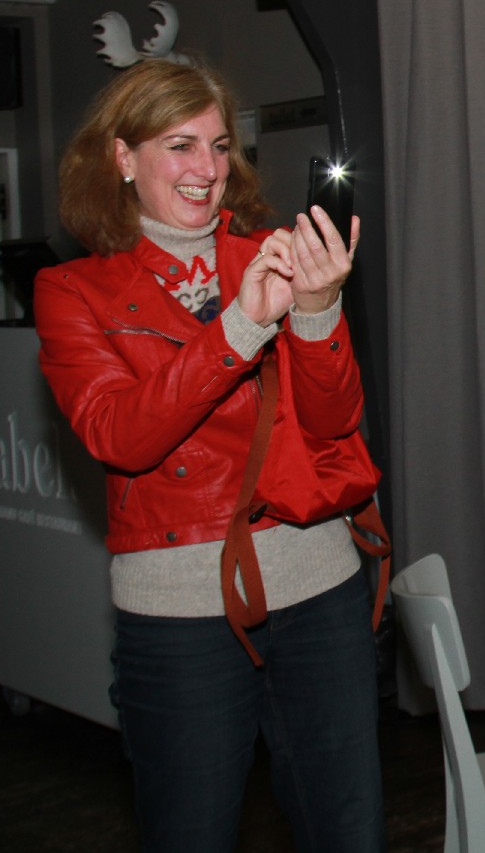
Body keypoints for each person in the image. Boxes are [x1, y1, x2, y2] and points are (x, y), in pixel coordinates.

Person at [33, 59, 383, 852]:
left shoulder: (271, 254)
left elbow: (334, 423)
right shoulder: (72, 290)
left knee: (349, 829)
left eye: (220, 146)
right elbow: (120, 434)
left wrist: (318, 309)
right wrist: (241, 327)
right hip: (178, 608)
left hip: (318, 582)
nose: (207, 168)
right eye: (180, 145)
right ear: (123, 157)